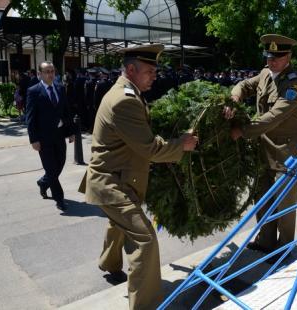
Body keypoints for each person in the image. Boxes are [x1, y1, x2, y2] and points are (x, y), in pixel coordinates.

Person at [81, 44, 198, 310]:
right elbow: (151, 148)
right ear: (131, 69)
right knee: (145, 239)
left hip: (118, 176)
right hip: (111, 183)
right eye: (149, 70)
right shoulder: (125, 100)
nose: (154, 75)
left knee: (119, 223)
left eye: (155, 70)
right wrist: (182, 144)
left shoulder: (128, 92)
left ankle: (109, 264)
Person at [223, 34, 297, 258]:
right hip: (263, 149)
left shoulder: (295, 84)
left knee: (284, 203)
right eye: (269, 57)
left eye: (276, 58)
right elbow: (243, 85)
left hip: (285, 153)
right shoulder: (264, 74)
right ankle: (266, 240)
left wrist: (242, 131)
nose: (271, 62)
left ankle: (284, 247)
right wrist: (234, 98)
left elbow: (273, 117)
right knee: (263, 198)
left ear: (288, 56)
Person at [26, 61, 76, 211]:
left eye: (52, 71)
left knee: (59, 164)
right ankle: (59, 199)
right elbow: (30, 117)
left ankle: (43, 182)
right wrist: (34, 139)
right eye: (47, 71)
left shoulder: (60, 88)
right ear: (40, 74)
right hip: (44, 138)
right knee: (52, 169)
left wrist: (71, 132)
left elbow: (67, 111)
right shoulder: (33, 91)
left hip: (60, 135)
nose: (50, 74)